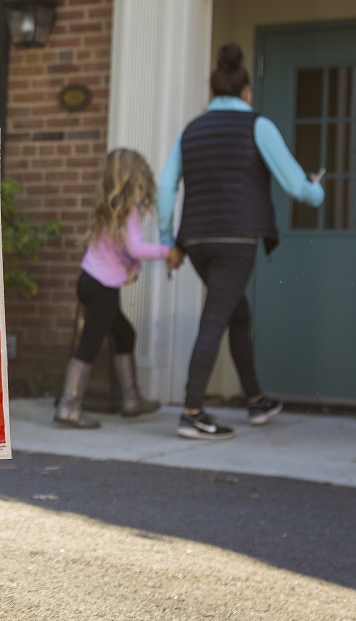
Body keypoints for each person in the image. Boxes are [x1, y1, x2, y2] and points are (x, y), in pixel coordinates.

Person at [159, 41, 324, 441]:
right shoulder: (258, 125)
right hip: (236, 241)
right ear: (247, 92)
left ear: (213, 92)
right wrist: (317, 192)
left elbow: (166, 187)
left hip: (196, 241)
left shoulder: (190, 130)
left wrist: (169, 240)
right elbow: (295, 186)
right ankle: (192, 412)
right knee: (216, 317)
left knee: (237, 313)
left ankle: (256, 400)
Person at [56, 149, 170, 428]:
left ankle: (131, 400)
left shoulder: (109, 208)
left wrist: (135, 268)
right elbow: (135, 248)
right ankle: (69, 406)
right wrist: (169, 252)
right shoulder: (129, 208)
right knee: (91, 344)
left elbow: (121, 251)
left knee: (124, 332)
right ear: (136, 175)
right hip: (102, 286)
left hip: (90, 281)